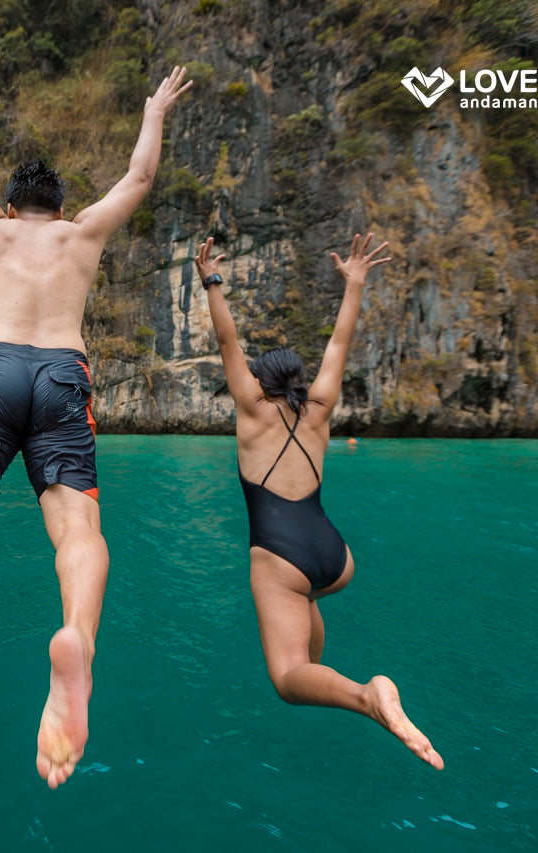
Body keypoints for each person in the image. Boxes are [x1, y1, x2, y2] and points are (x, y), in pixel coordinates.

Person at [0, 66, 194, 789]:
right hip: (63, 377)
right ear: (58, 207)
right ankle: (76, 641)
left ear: (14, 202)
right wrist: (152, 110)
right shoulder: (82, 234)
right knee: (78, 529)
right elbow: (140, 178)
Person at [194, 233, 444, 769]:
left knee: (287, 679)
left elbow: (225, 341)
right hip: (334, 557)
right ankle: (319, 654)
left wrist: (211, 280)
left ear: (259, 383)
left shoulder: (251, 410)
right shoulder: (321, 408)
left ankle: (366, 695)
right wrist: (354, 283)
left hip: (280, 556)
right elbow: (340, 343)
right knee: (302, 634)